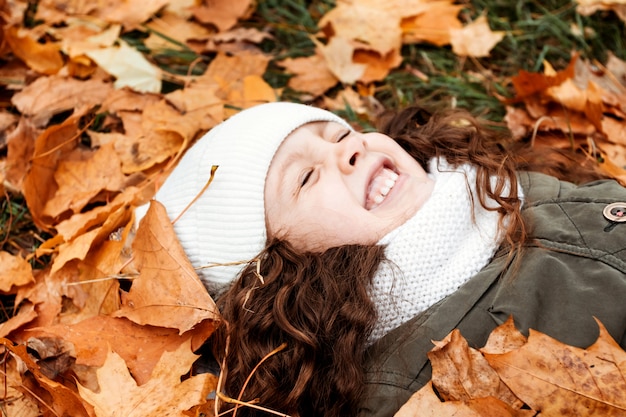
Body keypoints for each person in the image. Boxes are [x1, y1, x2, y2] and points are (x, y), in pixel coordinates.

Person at [138, 101, 626, 417]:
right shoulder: (416, 395)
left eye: (337, 135)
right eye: (306, 178)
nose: (348, 150)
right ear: (275, 278)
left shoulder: (493, 183)